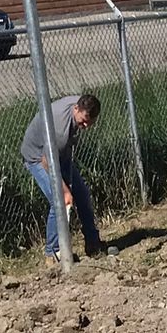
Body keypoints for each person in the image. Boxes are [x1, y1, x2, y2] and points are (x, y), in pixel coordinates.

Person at [20, 92, 104, 263]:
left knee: (82, 195)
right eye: (84, 119)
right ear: (76, 108)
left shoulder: (82, 104)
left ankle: (93, 244)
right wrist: (65, 190)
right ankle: (52, 253)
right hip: (38, 158)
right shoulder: (59, 128)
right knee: (60, 201)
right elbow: (47, 163)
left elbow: (58, 157)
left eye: (91, 122)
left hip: (60, 156)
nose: (87, 125)